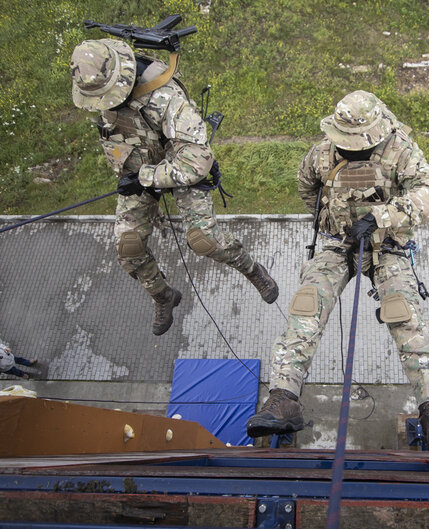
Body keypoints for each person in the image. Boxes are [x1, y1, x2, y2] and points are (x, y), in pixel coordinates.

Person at [246, 90, 429, 449]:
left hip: (387, 246)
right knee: (305, 309)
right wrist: (328, 221)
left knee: (405, 316)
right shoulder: (321, 154)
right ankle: (283, 398)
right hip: (337, 244)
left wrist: (382, 217)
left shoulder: (399, 151)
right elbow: (307, 185)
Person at [69, 39, 278, 335]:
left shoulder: (165, 99)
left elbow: (196, 164)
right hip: (138, 167)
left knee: (204, 241)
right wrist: (136, 175)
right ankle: (163, 295)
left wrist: (147, 177)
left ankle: (252, 270)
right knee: (128, 248)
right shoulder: (100, 85)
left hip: (178, 166)